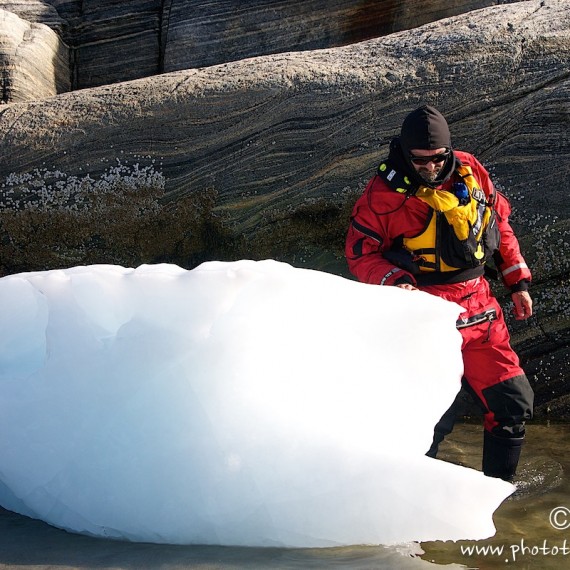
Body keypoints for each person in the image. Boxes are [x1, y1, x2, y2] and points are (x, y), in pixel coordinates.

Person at [345, 105, 534, 481]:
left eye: (437, 159)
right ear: (404, 153)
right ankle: (411, 505)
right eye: (419, 161)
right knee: (428, 420)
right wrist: (395, 281)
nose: (430, 168)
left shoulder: (470, 169)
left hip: (482, 309)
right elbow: (360, 253)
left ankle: (495, 499)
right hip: (426, 316)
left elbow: (499, 225)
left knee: (513, 404)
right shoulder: (383, 195)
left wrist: (518, 283)